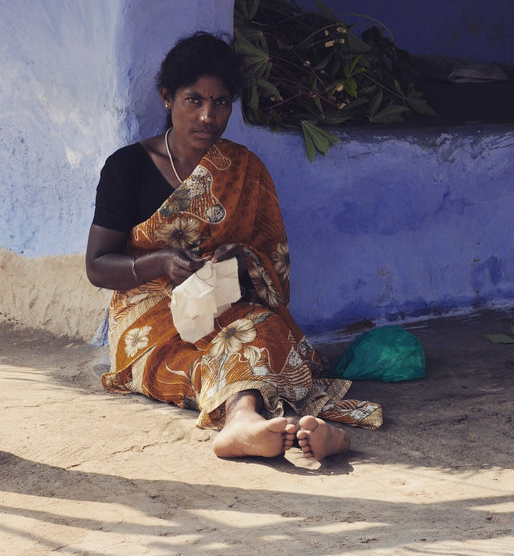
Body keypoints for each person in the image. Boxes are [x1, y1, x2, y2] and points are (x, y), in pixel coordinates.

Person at [86, 31, 382, 461]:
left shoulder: (243, 167)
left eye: (221, 102)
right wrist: (162, 261)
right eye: (194, 100)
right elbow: (97, 266)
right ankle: (278, 424)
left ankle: (255, 425)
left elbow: (271, 262)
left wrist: (241, 258)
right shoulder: (127, 168)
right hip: (149, 321)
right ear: (168, 98)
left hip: (226, 308)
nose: (208, 116)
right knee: (195, 363)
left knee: (261, 330)